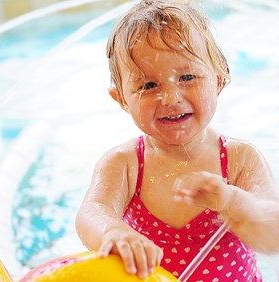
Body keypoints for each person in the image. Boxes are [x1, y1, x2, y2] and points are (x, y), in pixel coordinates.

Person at [75, 0, 279, 280]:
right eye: (148, 85)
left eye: (187, 77)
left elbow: (273, 234)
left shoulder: (240, 159)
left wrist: (233, 202)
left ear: (218, 80)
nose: (171, 98)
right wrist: (112, 231)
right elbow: (92, 212)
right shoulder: (123, 164)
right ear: (121, 98)